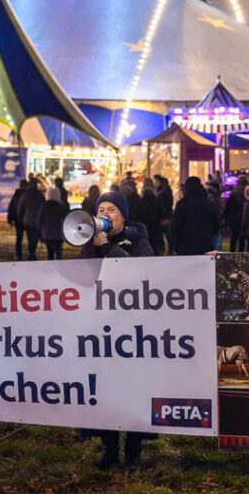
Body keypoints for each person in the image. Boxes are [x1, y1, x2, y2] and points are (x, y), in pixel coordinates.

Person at [79, 191, 155, 469]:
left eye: (112, 209)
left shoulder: (139, 240)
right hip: (100, 326)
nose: (106, 213)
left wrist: (109, 249)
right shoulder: (91, 239)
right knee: (105, 388)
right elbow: (80, 276)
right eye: (102, 209)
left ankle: (133, 453)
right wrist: (92, 247)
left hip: (132, 326)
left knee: (134, 390)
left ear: (123, 215)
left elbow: (142, 274)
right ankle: (109, 449)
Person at [169, 176, 220, 256]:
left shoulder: (182, 204)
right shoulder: (208, 203)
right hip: (205, 244)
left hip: (186, 245)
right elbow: (215, 225)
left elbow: (175, 227)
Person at [36, 187, 69, 260]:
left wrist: (41, 232)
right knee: (59, 253)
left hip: (48, 234)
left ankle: (50, 268)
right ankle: (58, 268)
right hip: (59, 235)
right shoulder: (62, 207)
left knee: (50, 254)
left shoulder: (44, 206)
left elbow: (39, 220)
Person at [19, 177, 45, 261]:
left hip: (28, 220)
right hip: (37, 220)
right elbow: (43, 208)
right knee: (35, 238)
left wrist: (21, 218)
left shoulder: (25, 195)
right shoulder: (40, 196)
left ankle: (31, 253)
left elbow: (21, 208)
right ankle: (32, 253)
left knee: (30, 238)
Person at [6, 180, 30, 261]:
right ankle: (31, 253)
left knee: (19, 237)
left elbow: (11, 207)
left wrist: (10, 219)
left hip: (18, 219)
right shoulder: (28, 195)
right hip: (27, 218)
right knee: (30, 237)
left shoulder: (16, 194)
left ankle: (18, 254)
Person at [223, 179, 247, 252]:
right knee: (242, 237)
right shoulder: (246, 194)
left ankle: (232, 251)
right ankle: (241, 252)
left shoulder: (233, 194)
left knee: (234, 236)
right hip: (243, 217)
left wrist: (227, 218)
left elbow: (228, 207)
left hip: (234, 217)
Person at [139, 184, 164, 254]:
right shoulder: (156, 201)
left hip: (145, 225)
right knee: (155, 244)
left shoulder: (141, 202)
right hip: (155, 226)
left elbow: (140, 214)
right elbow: (161, 212)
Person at [153, 175, 175, 254]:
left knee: (166, 235)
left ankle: (168, 251)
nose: (154, 183)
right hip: (163, 217)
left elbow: (165, 205)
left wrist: (165, 217)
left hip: (163, 217)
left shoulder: (163, 192)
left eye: (156, 181)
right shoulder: (164, 191)